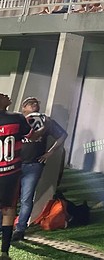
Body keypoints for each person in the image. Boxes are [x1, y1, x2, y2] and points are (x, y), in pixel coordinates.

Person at [13, 97, 66, 241]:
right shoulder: (18, 120)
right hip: (15, 164)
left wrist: (50, 152)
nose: (34, 105)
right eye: (30, 103)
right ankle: (5, 225)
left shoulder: (46, 121)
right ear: (23, 107)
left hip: (33, 165)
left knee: (26, 198)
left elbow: (62, 135)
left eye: (36, 103)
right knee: (9, 197)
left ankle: (20, 229)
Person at [0, 93, 31, 259]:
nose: (6, 96)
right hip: (10, 174)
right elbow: (30, 134)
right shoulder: (17, 119)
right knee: (9, 210)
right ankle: (4, 251)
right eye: (2, 95)